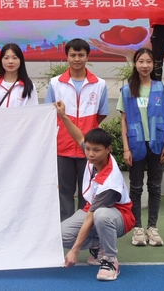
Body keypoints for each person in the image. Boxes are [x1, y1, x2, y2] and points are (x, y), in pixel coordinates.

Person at [55, 101, 135, 281]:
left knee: (101, 215)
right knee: (60, 235)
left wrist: (75, 250)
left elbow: (92, 215)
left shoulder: (109, 181)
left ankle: (110, 259)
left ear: (108, 150)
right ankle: (99, 243)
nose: (90, 154)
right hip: (93, 210)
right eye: (88, 149)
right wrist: (63, 116)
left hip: (120, 216)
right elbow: (79, 137)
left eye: (96, 150)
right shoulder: (94, 156)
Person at [117, 48, 164, 247]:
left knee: (155, 187)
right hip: (136, 144)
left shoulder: (161, 88)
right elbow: (124, 120)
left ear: (153, 64)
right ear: (135, 64)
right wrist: (126, 148)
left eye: (148, 62)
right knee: (135, 187)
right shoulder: (127, 90)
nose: (145, 65)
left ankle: (153, 228)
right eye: (141, 61)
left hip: (157, 144)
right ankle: (138, 229)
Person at [45, 38, 109, 221]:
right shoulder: (55, 83)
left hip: (89, 149)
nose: (77, 59)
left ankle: (83, 229)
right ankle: (65, 229)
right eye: (73, 55)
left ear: (87, 56)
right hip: (62, 147)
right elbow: (49, 113)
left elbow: (101, 114)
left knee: (87, 192)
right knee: (64, 192)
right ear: (67, 57)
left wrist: (87, 129)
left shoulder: (99, 84)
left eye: (81, 55)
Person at [0, 43, 39, 108]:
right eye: (6, 58)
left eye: (15, 58)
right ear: (1, 60)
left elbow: (32, 112)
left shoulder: (29, 86)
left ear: (21, 60)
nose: (10, 61)